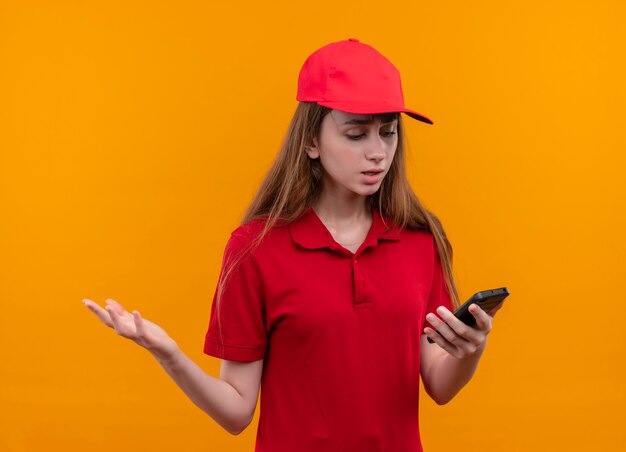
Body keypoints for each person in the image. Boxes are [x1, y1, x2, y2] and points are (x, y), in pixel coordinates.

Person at [83, 38, 504, 452]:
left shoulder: (419, 240)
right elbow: (236, 412)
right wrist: (168, 353)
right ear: (311, 142)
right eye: (356, 135)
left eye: (389, 133)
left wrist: (471, 349)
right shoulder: (254, 249)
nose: (378, 152)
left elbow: (438, 383)